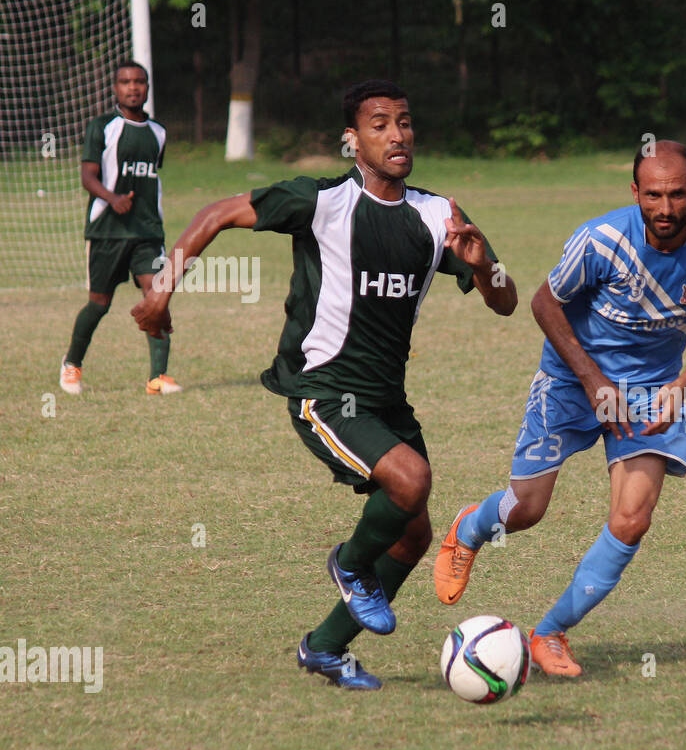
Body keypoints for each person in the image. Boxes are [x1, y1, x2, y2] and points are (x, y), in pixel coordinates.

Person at [131, 80, 517, 689]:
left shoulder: (439, 215)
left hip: (387, 400)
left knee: (413, 531)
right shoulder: (323, 202)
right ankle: (350, 562)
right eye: (380, 123)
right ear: (352, 140)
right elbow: (218, 213)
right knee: (412, 481)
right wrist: (161, 289)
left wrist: (482, 267)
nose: (397, 135)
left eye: (405, 122)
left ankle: (326, 647)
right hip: (324, 391)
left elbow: (505, 301)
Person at [432, 141, 686, 676]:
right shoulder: (600, 241)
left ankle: (550, 634)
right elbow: (544, 302)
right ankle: (470, 528)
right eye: (653, 196)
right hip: (572, 379)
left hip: (651, 389)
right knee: (527, 509)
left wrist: (683, 385)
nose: (665, 209)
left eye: (677, 195)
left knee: (632, 520)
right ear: (635, 193)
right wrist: (593, 380)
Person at [61, 61, 176, 396]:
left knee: (156, 300)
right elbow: (88, 176)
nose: (133, 87)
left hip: (147, 232)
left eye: (139, 81)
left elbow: (150, 176)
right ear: (115, 88)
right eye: (126, 82)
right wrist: (112, 199)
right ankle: (71, 365)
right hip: (108, 231)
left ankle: (158, 377)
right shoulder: (102, 127)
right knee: (99, 304)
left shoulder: (159, 132)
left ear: (147, 87)